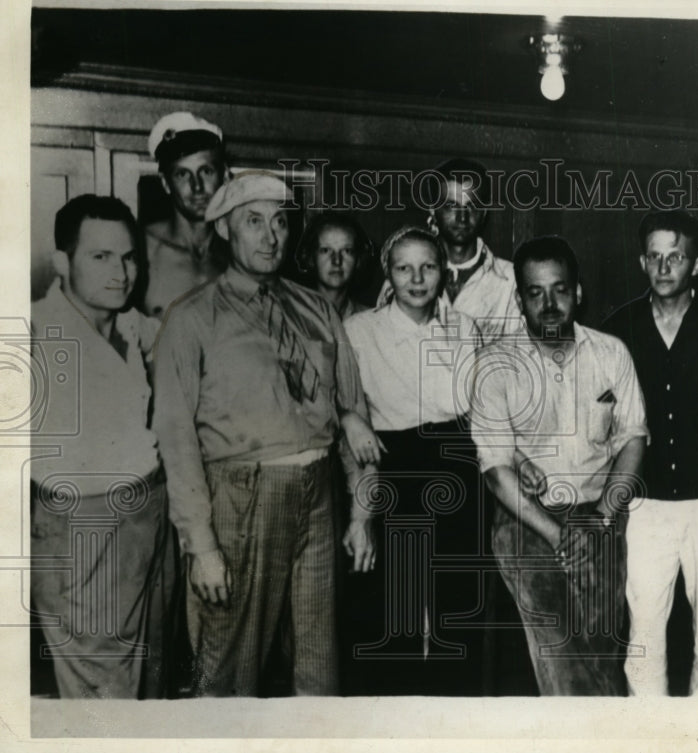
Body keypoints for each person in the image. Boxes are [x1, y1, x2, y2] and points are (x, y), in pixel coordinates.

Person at [152, 171, 380, 697]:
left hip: (319, 496)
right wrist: (201, 545)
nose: (270, 235)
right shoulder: (191, 319)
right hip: (240, 497)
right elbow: (176, 439)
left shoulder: (316, 309)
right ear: (227, 231)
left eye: (279, 221)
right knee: (229, 668)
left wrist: (363, 511)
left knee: (318, 665)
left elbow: (353, 413)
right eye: (253, 222)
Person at [471, 235, 648, 695]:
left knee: (602, 647)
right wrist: (559, 535)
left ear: (578, 292)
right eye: (535, 293)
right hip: (528, 521)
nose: (549, 304)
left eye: (560, 290)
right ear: (519, 299)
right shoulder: (495, 365)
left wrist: (606, 518)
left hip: (600, 514)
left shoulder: (611, 353)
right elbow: (495, 471)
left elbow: (632, 438)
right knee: (560, 644)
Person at [31, 195, 173, 698]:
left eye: (129, 256)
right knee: (102, 696)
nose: (121, 272)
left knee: (147, 678)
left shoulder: (132, 326)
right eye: (101, 257)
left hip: (147, 514)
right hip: (83, 527)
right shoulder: (32, 334)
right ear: (62, 262)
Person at [343, 226, 484, 695]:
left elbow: (474, 407)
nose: (417, 278)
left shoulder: (464, 329)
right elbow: (343, 401)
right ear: (388, 274)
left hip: (457, 463)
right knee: (398, 608)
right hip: (396, 464)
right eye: (404, 268)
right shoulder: (360, 331)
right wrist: (350, 419)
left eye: (428, 266)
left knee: (458, 606)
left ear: (443, 272)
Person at [601, 210, 698, 696]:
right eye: (654, 256)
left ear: (696, 264)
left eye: (675, 256)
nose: (664, 266)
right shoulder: (618, 329)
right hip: (646, 503)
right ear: (642, 261)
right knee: (645, 632)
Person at [378, 157, 519, 343]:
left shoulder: (511, 280)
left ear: (484, 212)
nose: (462, 217)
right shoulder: (404, 276)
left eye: (472, 206)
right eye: (451, 205)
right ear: (433, 210)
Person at [143, 111, 229, 318]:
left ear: (224, 176)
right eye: (182, 174)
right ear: (165, 183)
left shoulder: (241, 252)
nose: (197, 186)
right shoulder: (142, 249)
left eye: (206, 171)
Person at [297, 211, 373, 320]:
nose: (337, 261)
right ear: (310, 258)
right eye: (326, 250)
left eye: (347, 251)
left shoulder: (369, 320)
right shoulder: (293, 316)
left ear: (358, 260)